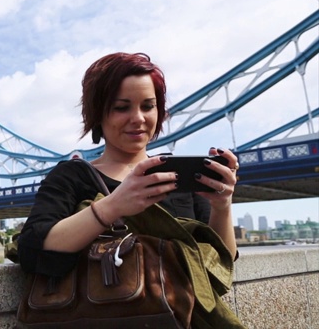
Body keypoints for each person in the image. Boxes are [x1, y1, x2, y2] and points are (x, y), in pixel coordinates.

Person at [18, 52, 238, 279]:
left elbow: (221, 265)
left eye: (148, 106)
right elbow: (32, 251)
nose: (138, 118)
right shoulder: (71, 176)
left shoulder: (181, 175)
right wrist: (114, 206)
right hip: (99, 313)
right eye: (122, 107)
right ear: (97, 114)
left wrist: (222, 207)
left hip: (183, 313)